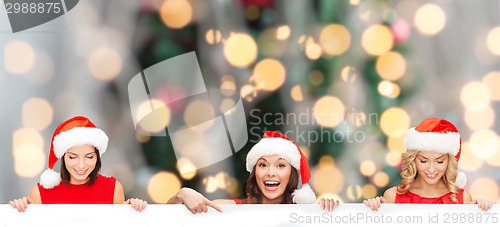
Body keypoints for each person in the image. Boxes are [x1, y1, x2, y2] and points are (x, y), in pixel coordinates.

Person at [168, 131, 339, 214]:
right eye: (263, 165)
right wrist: (181, 195)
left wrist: (337, 213)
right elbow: (163, 221)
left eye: (280, 166)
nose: (271, 172)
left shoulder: (305, 214)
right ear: (255, 173)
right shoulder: (228, 209)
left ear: (292, 175)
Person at [9, 116, 147, 212]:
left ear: (98, 157)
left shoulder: (113, 189)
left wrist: (134, 210)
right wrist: (18, 211)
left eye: (89, 156)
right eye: (73, 157)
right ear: (63, 157)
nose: (81, 165)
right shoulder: (40, 193)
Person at [364, 117, 493, 211]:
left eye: (439, 161)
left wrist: (482, 212)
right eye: (423, 161)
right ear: (413, 159)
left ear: (449, 161)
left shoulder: (462, 199)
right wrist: (372, 212)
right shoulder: (393, 196)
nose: (431, 169)